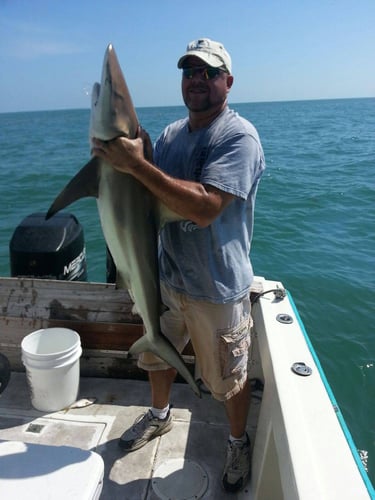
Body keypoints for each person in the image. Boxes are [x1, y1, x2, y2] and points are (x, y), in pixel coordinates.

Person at [93, 38, 265, 493]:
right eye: (190, 72)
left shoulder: (238, 137)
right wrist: (127, 159)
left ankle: (235, 441)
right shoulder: (169, 136)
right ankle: (159, 414)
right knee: (155, 354)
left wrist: (137, 166)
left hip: (216, 287)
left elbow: (207, 208)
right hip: (167, 278)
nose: (198, 81)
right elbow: (147, 191)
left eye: (209, 73)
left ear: (228, 81)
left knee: (228, 379)